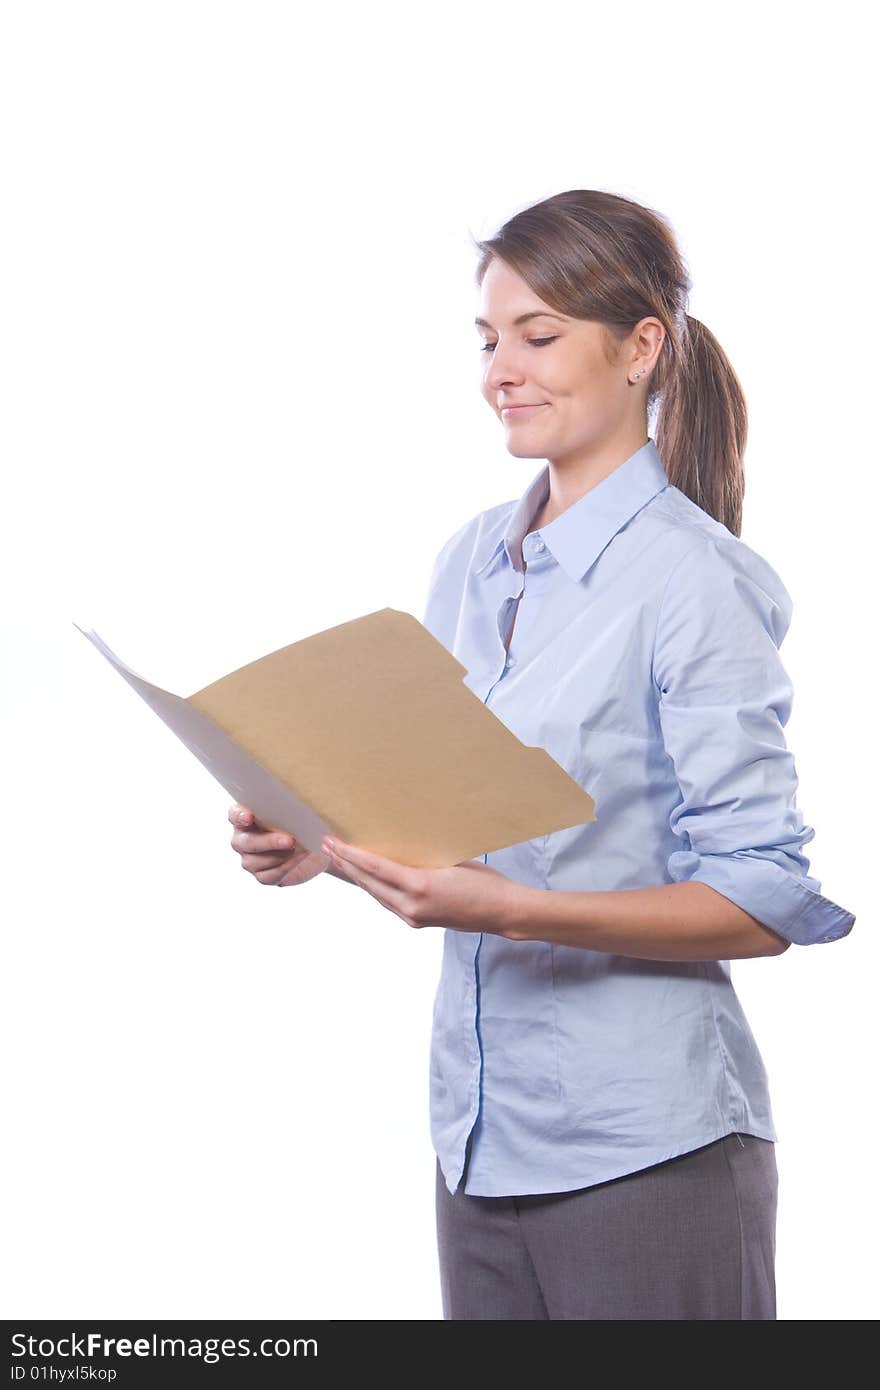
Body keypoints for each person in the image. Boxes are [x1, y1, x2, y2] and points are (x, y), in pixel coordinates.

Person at [227, 189, 856, 1320]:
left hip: (647, 1152)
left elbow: (764, 896)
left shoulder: (693, 580)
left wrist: (508, 908)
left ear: (641, 347)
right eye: (486, 340)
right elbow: (438, 794)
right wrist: (316, 833)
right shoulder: (473, 559)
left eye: (539, 334)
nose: (499, 370)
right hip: (477, 1141)